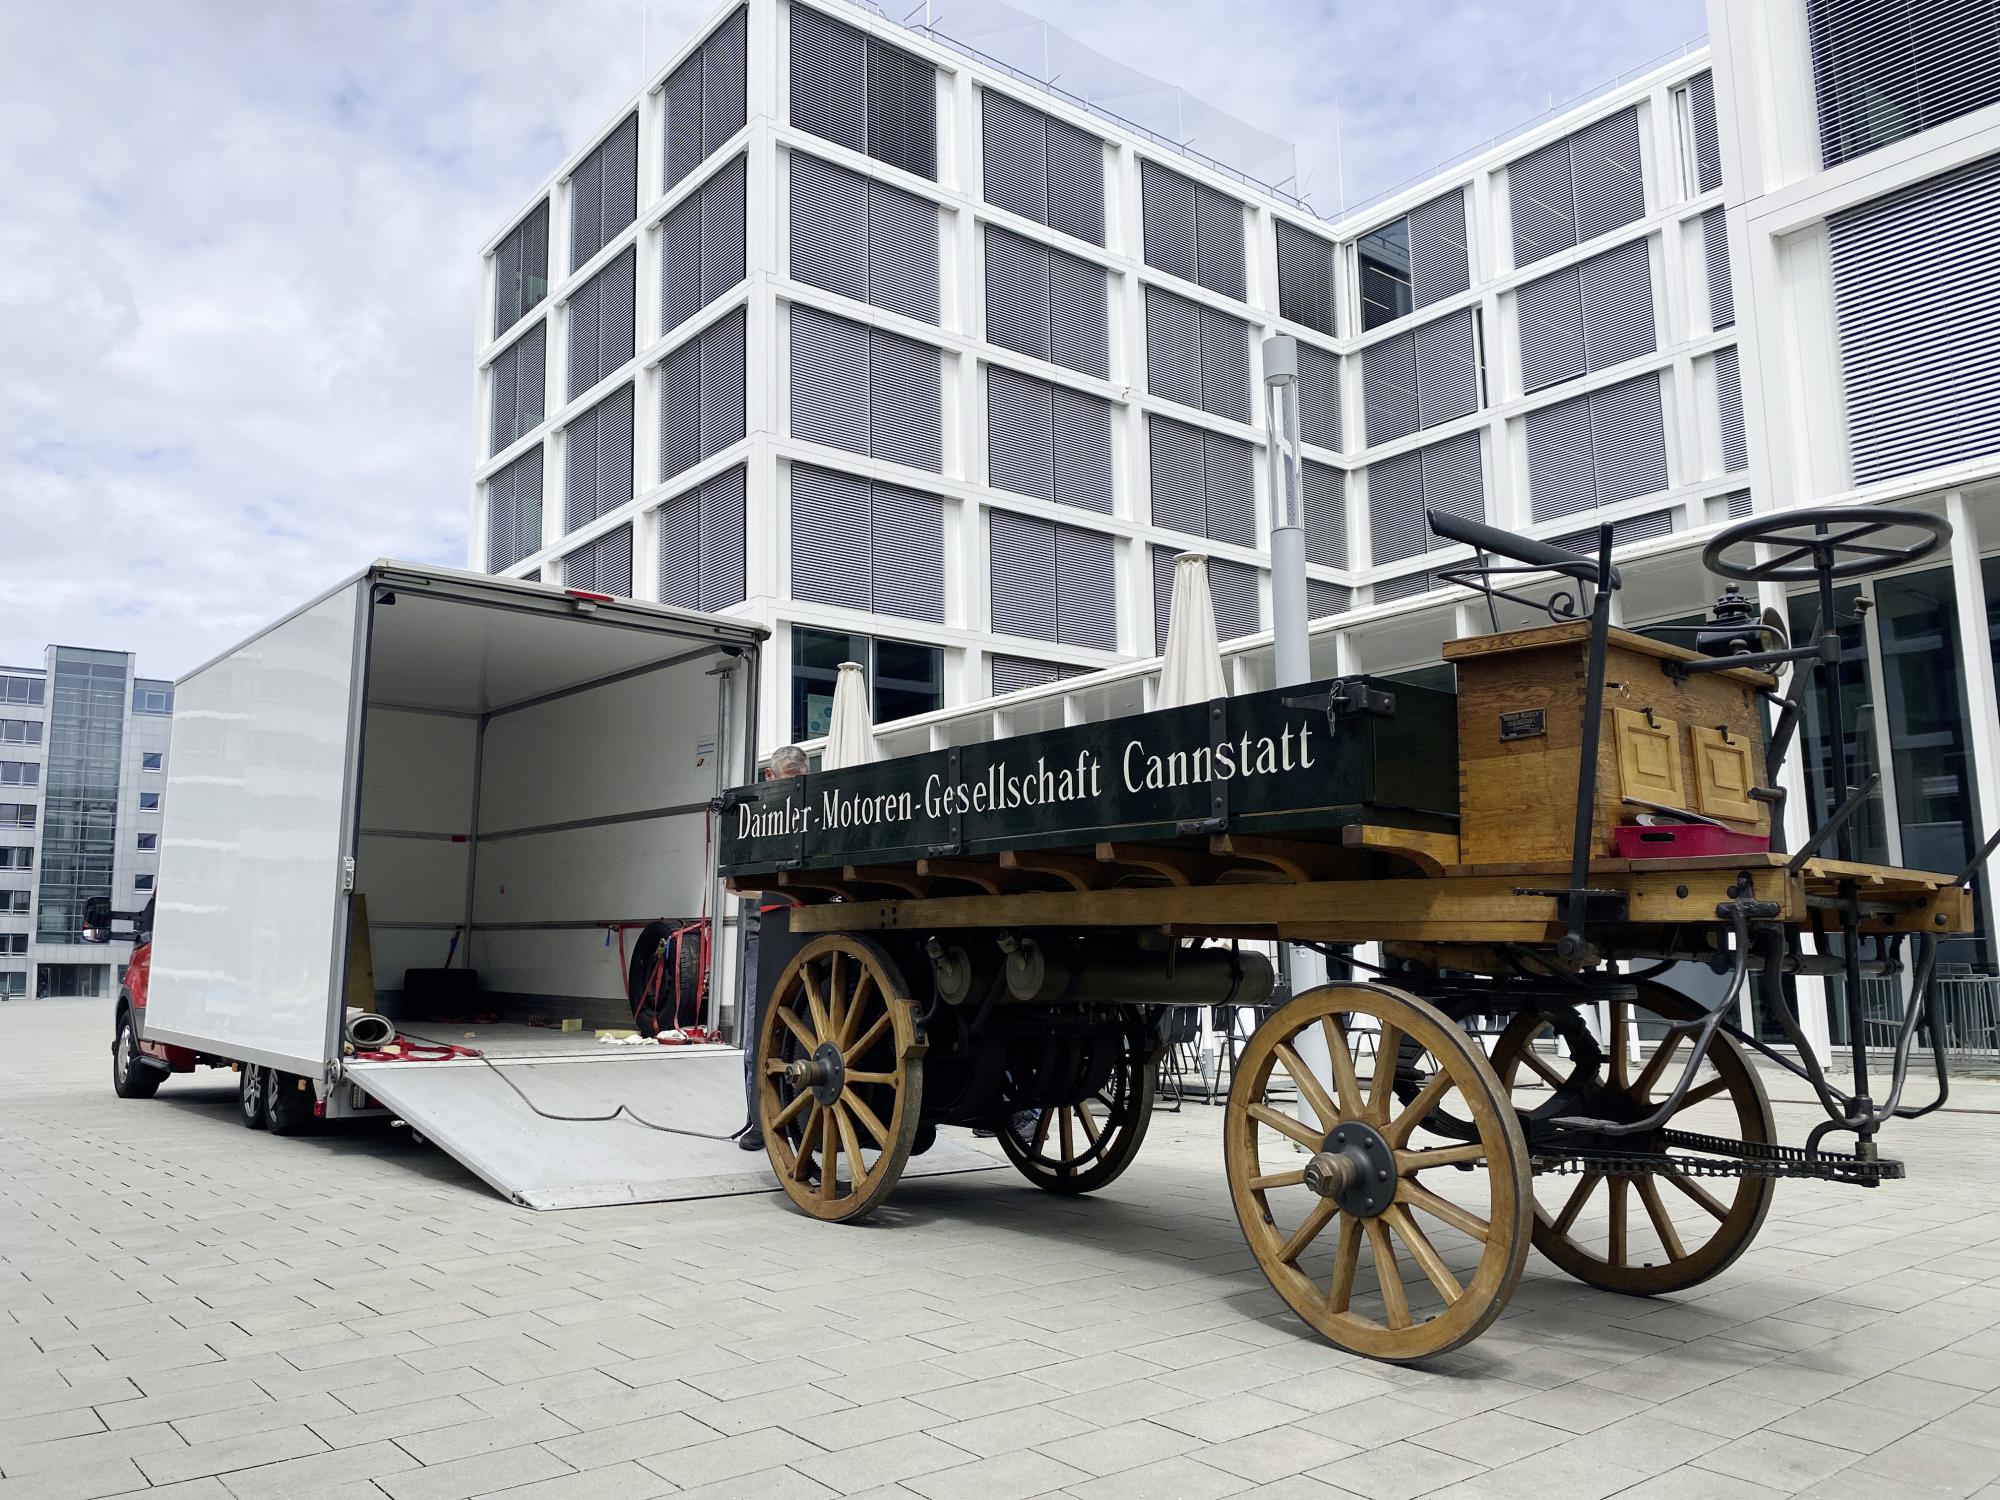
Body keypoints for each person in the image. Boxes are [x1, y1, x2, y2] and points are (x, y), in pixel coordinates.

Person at [738, 744, 811, 1151]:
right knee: (758, 1025)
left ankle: (792, 1112)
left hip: (804, 925)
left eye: (801, 782)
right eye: (789, 782)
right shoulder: (757, 815)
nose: (796, 789)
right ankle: (756, 1117)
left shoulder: (813, 809)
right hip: (763, 929)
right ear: (770, 779)